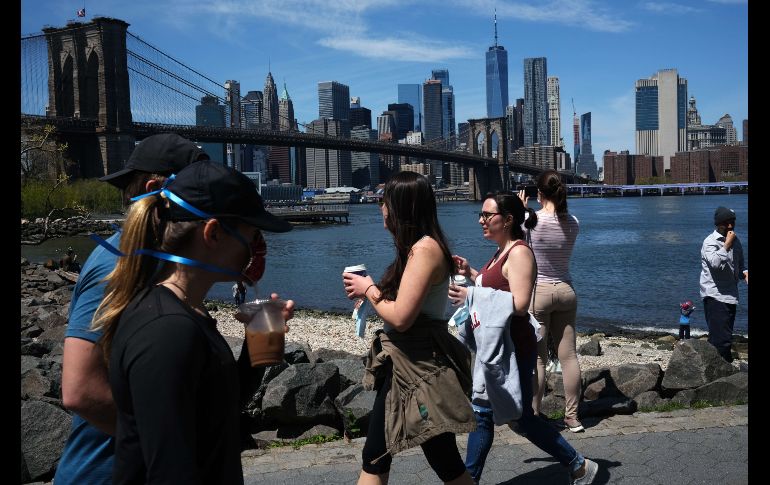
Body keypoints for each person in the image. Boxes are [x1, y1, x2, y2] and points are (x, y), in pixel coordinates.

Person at [92, 161, 293, 483]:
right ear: (213, 232)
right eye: (252, 235)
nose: (258, 249)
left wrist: (261, 339)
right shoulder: (167, 331)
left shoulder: (187, 311)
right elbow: (170, 470)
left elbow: (217, 409)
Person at [55, 133, 209, 485]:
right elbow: (79, 391)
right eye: (201, 188)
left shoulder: (160, 261)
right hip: (104, 476)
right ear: (160, 190)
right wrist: (167, 444)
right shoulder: (116, 264)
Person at [451, 192, 598, 485]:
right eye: (480, 215)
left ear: (507, 220)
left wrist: (472, 295)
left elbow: (519, 304)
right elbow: (500, 287)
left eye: (486, 215)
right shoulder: (501, 252)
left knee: (495, 416)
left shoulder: (519, 252)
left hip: (514, 349)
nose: (481, 220)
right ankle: (579, 466)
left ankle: (578, 465)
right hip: (501, 347)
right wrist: (472, 274)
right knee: (511, 417)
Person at [342, 171, 476, 485]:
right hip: (406, 363)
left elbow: (402, 317)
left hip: (418, 367)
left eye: (385, 200)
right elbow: (405, 307)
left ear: (402, 207)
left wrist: (369, 289)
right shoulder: (417, 248)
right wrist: (370, 299)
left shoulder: (424, 250)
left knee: (417, 457)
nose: (380, 206)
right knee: (384, 455)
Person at [522, 170, 584, 433]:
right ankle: (572, 417)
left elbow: (520, 242)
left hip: (540, 292)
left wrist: (522, 208)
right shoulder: (573, 222)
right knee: (568, 356)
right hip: (566, 290)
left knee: (538, 358)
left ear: (540, 193)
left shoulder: (530, 220)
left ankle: (534, 415)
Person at [700, 206, 748, 362]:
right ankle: (719, 374)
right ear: (718, 223)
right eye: (725, 223)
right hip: (715, 296)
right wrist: (726, 245)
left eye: (732, 222)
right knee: (721, 339)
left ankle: (717, 372)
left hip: (731, 296)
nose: (730, 226)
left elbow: (740, 266)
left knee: (724, 335)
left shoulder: (736, 240)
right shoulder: (710, 242)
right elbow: (715, 263)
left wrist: (745, 273)